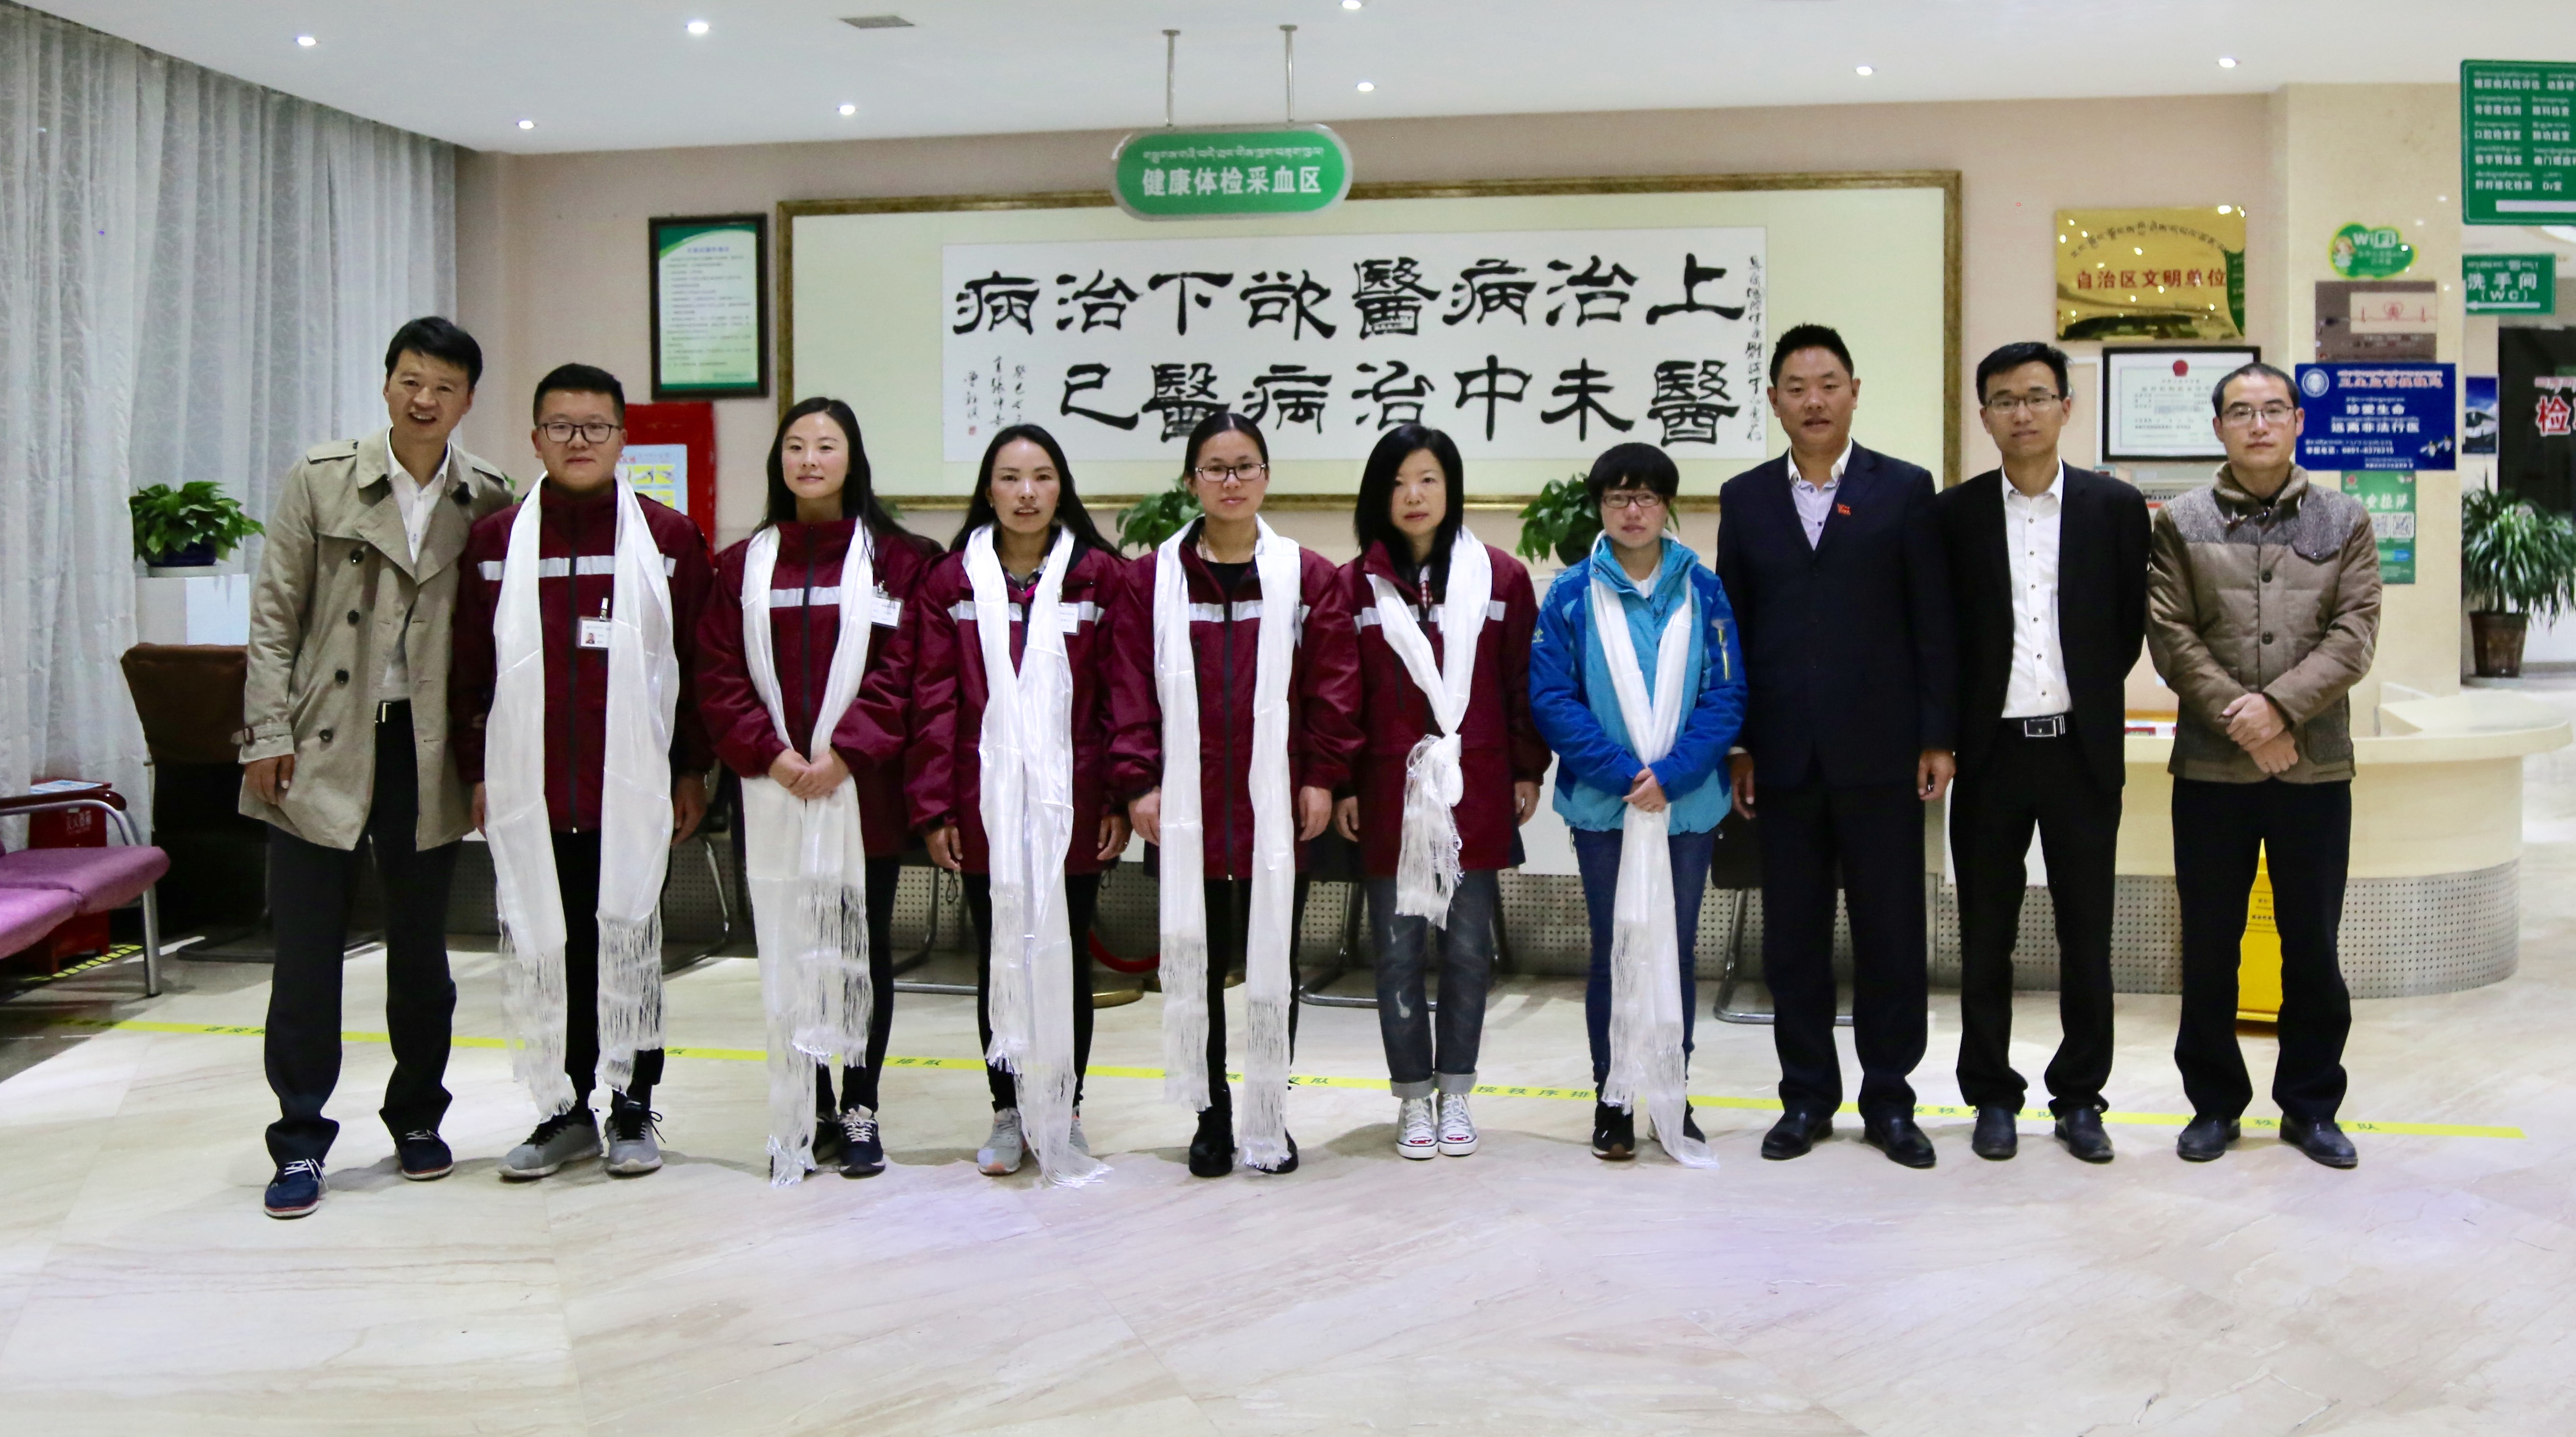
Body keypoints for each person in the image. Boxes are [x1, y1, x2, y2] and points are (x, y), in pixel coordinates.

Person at [241, 317, 516, 1219]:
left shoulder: (489, 497)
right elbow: (274, 616)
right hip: (321, 744)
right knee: (306, 955)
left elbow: (500, 642)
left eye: (443, 386)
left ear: (468, 399)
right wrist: (265, 735)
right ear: (387, 383)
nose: (423, 400)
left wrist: (491, 757)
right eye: (410, 381)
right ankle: (299, 1139)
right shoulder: (322, 479)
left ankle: (418, 1117)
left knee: (423, 952)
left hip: (424, 750)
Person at [451, 363, 714, 1183]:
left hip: (631, 791)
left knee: (628, 940)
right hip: (532, 788)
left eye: (595, 427)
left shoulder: (668, 540)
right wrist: (477, 771)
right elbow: (470, 670)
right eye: (561, 427)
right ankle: (562, 1111)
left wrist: (691, 770)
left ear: (622, 438)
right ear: (535, 439)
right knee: (550, 945)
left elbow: (696, 667)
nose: (578, 441)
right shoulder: (497, 543)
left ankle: (632, 1105)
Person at [1717, 323, 1956, 1169]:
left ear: (1855, 392)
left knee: (1891, 935)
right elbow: (1731, 631)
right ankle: (1806, 1098)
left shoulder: (1905, 489)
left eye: (1828, 385)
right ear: (1774, 401)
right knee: (1794, 941)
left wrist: (1937, 735)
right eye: (1796, 387)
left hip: (1883, 756)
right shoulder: (1746, 498)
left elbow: (1933, 622)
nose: (1813, 401)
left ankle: (1890, 1101)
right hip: (1782, 761)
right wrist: (1738, 744)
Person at [1107, 411, 1363, 1179]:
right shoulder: (1150, 580)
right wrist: (1140, 782)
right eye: (1215, 468)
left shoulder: (1308, 576)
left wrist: (1321, 776)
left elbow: (1334, 688)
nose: (1230, 481)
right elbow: (1127, 690)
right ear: (1192, 481)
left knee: (1273, 962)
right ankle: (1211, 1114)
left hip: (1276, 806)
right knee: (1201, 964)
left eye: (1245, 466)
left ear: (1266, 478)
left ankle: (1269, 1112)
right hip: (1186, 807)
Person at [698, 397, 941, 1181]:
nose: (810, 460)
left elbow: (907, 670)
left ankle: (861, 1107)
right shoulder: (740, 566)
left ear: (852, 460)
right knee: (791, 950)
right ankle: (812, 1108)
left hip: (862, 794)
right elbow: (718, 674)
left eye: (826, 446)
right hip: (772, 792)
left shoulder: (902, 561)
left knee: (861, 953)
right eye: (796, 446)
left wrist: (846, 754)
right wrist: (771, 756)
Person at [2146, 361, 2381, 1169]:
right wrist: (2245, 723)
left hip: (2314, 770)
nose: (2258, 424)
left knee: (2310, 943)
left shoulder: (2345, 519)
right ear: (2218, 427)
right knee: (2210, 944)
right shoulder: (2181, 521)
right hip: (2211, 773)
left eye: (2274, 410)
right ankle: (2215, 1105)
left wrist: (2278, 711)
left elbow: (2354, 635)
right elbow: (2171, 636)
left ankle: (2311, 1108)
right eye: (2241, 412)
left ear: (2297, 422)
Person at [1935, 341, 2149, 1165]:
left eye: (2035, 396)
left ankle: (2080, 1097)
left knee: (2086, 935)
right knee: (1986, 936)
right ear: (1984, 416)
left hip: (2080, 753)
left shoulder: (2114, 508)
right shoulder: (1953, 516)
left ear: (2066, 406)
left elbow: (2125, 627)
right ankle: (1992, 1095)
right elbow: (1944, 637)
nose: (2021, 413)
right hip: (1989, 756)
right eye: (2004, 400)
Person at [900, 424, 1127, 1184]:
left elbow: (1121, 697)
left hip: (1076, 801)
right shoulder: (951, 581)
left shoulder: (1099, 577)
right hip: (982, 802)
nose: (1026, 493)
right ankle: (1006, 1109)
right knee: (1000, 954)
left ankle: (1064, 1107)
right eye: (1010, 478)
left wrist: (1118, 795)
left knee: (1066, 955)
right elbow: (933, 702)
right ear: (988, 490)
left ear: (1062, 487)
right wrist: (935, 808)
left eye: (1042, 477)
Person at [1330, 424, 1548, 1161]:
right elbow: (1339, 695)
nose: (1414, 495)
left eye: (1427, 479)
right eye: (1397, 483)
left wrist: (1526, 768)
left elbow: (1521, 684)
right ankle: (1413, 1099)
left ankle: (1456, 1090)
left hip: (1475, 785)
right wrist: (1343, 781)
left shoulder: (1501, 578)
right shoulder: (1353, 585)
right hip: (1386, 792)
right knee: (1395, 956)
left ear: (1451, 488)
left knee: (1466, 951)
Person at [1529, 442, 1745, 1165]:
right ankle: (1614, 1097)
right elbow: (1552, 698)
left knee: (1673, 950)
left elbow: (1726, 695)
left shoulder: (1703, 590)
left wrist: (1673, 775)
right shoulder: (1569, 595)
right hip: (1606, 807)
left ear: (1666, 507)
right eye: (1618, 497)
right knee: (1616, 948)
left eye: (1646, 497)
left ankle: (1672, 1093)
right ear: (1600, 506)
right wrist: (1627, 773)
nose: (1632, 511)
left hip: (1685, 808)